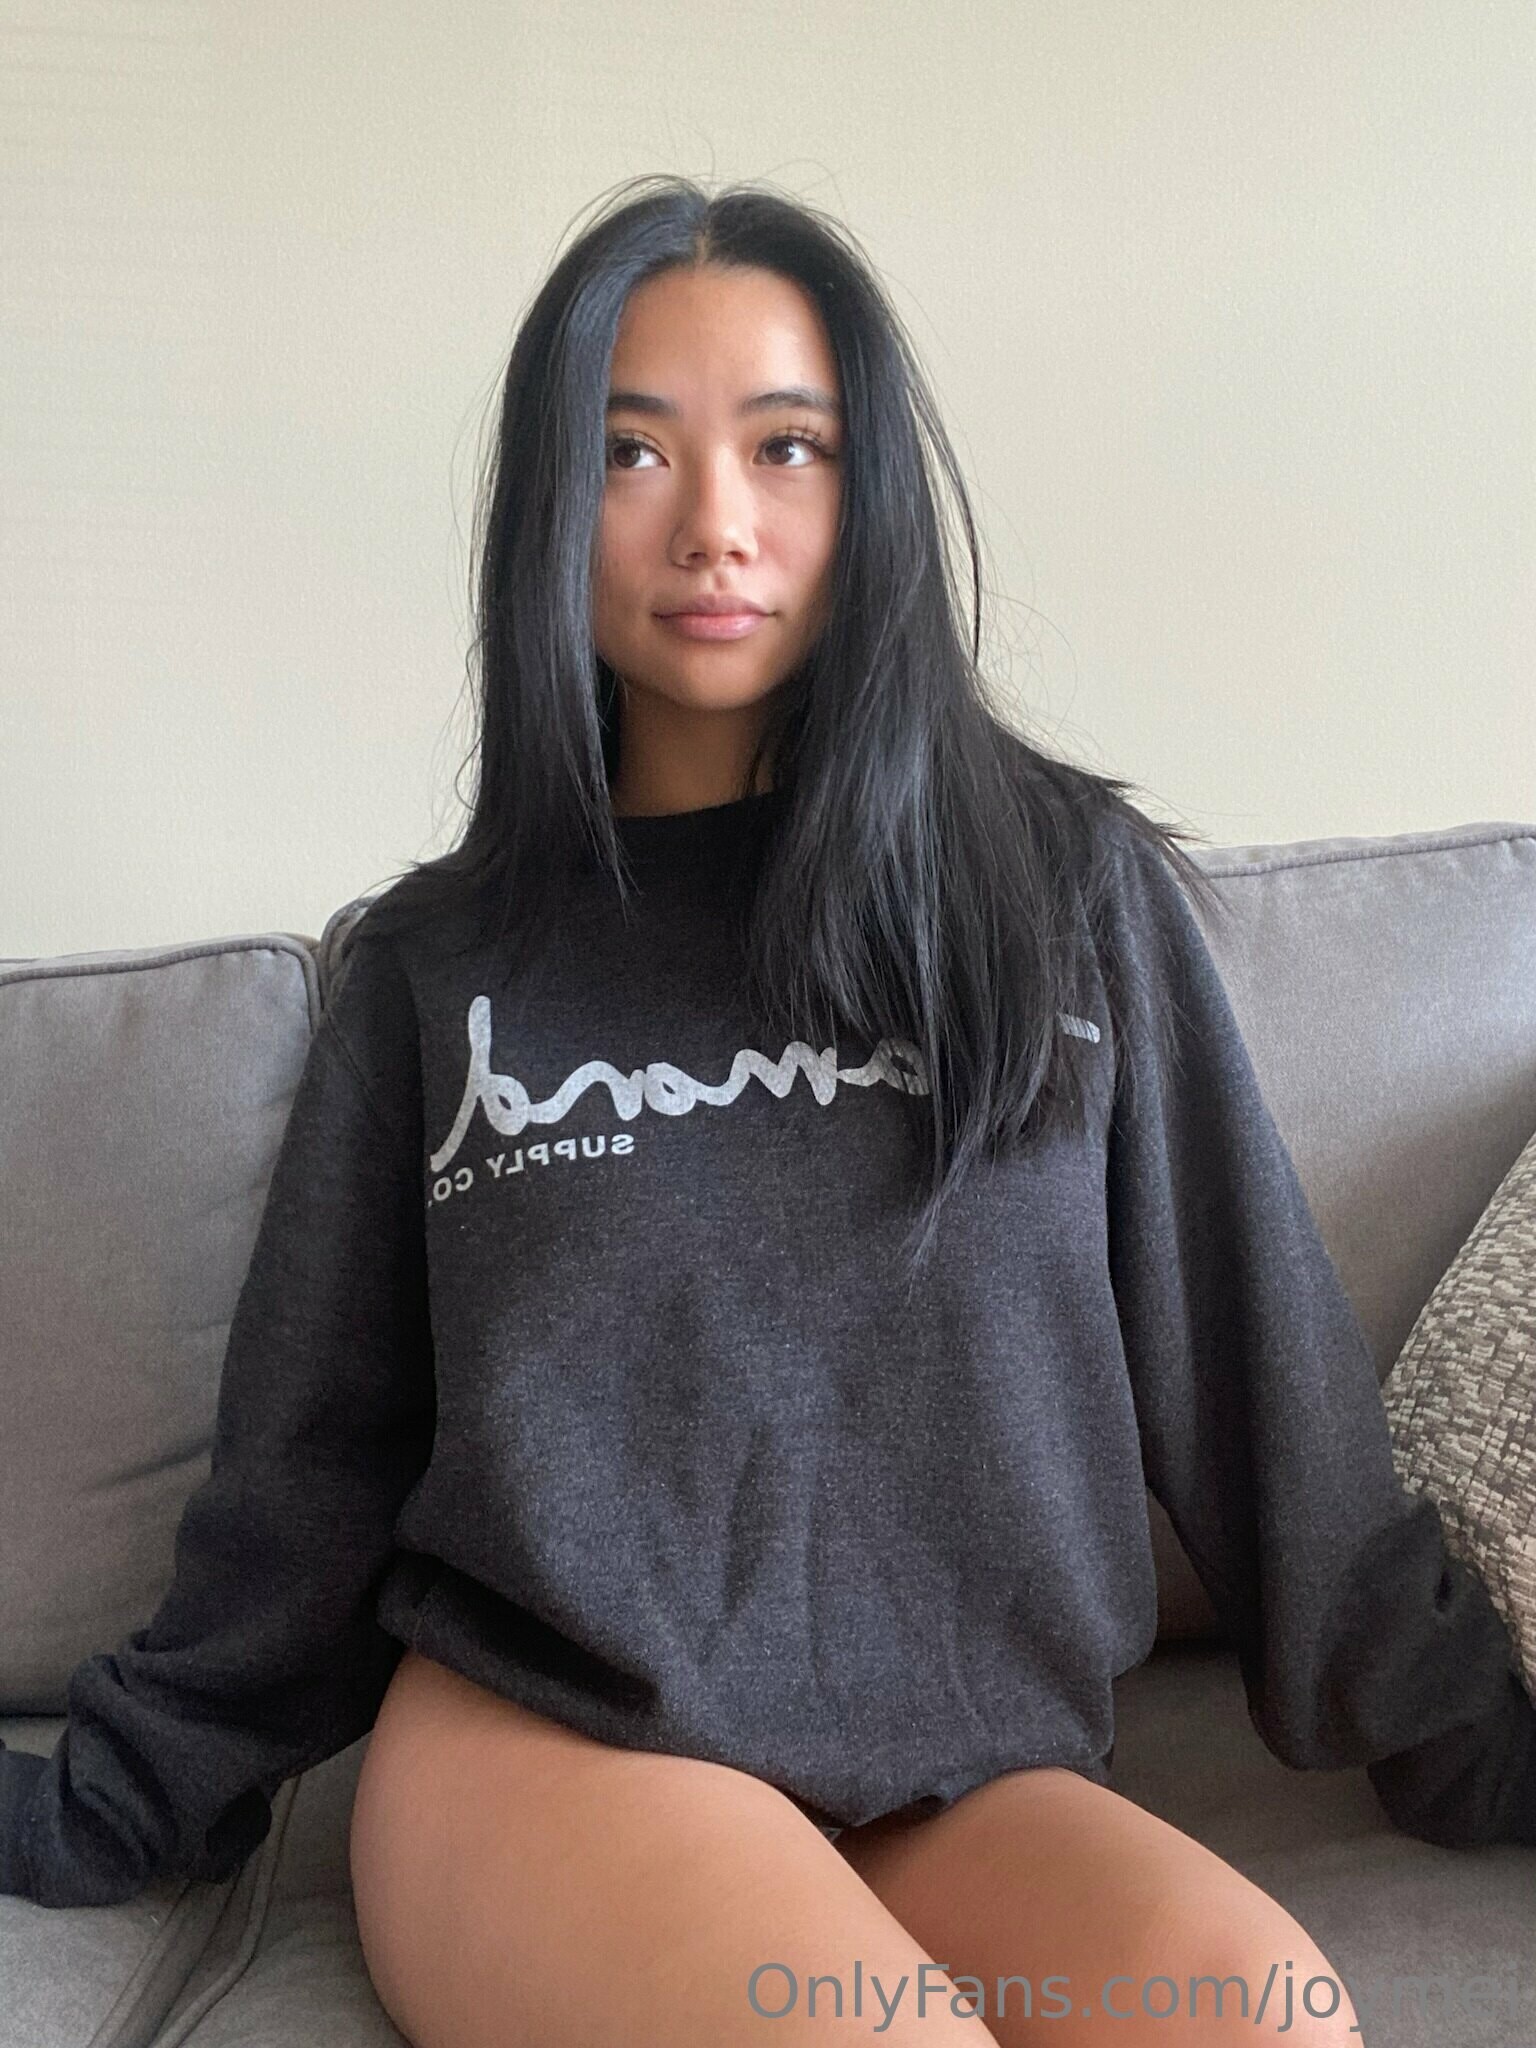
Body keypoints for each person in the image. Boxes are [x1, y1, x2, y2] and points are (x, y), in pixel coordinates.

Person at [3, 175, 1532, 2048]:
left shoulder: (1066, 899)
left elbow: (1261, 1381)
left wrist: (1473, 1739)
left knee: (1275, 2022)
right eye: (631, 451)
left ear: (867, 493)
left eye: (786, 447)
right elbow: (306, 1472)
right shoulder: (436, 970)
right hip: (553, 1743)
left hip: (959, 1772)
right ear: (548, 506)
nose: (714, 522)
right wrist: (118, 1796)